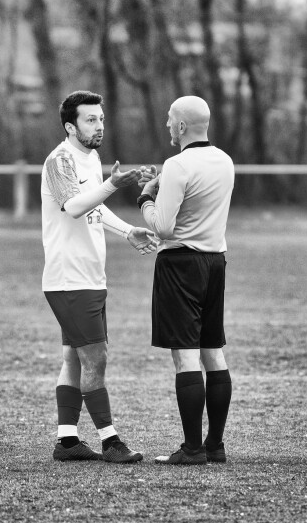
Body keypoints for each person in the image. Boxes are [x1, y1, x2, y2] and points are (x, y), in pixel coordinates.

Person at [41, 90, 158, 463]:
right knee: (96, 358)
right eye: (91, 119)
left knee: (74, 360)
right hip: (69, 278)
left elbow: (95, 206)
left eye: (101, 119)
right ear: (69, 126)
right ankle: (111, 442)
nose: (99, 125)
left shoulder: (89, 157)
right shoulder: (59, 161)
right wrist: (113, 184)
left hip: (89, 276)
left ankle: (68, 441)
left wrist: (128, 231)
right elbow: (75, 206)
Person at [137, 96, 235, 465]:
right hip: (215, 262)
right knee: (213, 351)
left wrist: (146, 198)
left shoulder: (177, 164)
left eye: (169, 120)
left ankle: (192, 448)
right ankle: (215, 445)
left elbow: (162, 226)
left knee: (186, 357)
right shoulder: (224, 160)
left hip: (180, 264)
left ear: (180, 126)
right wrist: (164, 185)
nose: (166, 125)